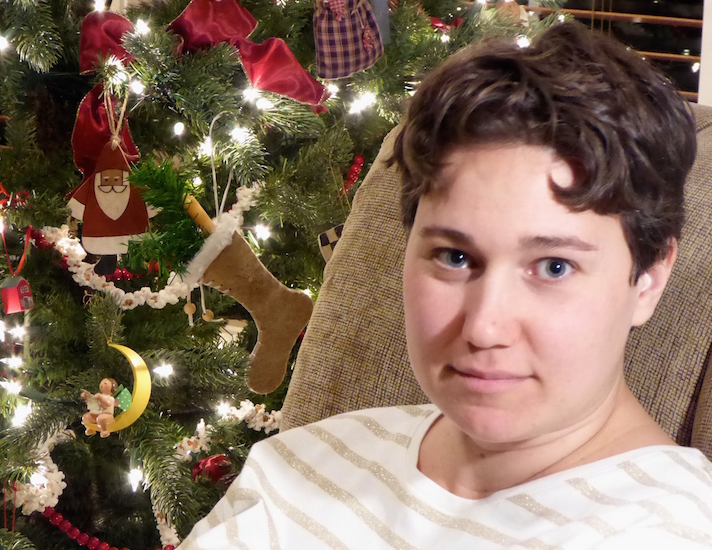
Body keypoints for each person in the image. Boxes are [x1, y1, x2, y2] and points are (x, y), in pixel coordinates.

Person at [179, 21, 712, 549]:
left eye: (553, 266)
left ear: (648, 278)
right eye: (455, 257)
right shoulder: (302, 460)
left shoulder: (670, 529)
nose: (483, 326)